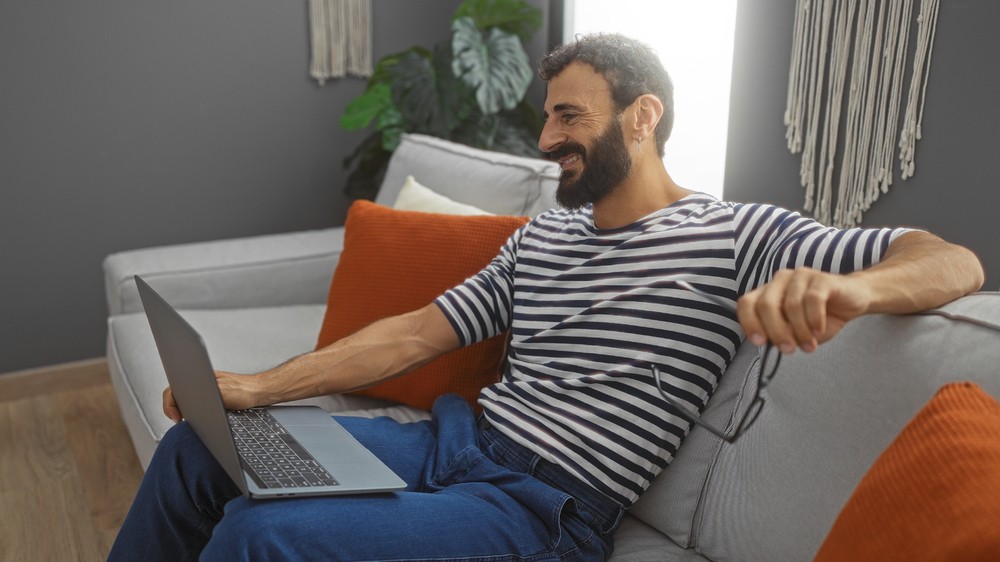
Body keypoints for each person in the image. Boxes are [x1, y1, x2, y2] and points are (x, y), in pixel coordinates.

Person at [108, 33, 984, 562]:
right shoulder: (548, 234)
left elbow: (949, 263)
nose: (546, 137)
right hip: (454, 445)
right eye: (548, 118)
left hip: (541, 510)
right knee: (199, 452)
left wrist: (850, 287)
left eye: (568, 116)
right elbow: (418, 332)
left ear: (643, 117)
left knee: (267, 543)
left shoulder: (736, 232)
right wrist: (254, 389)